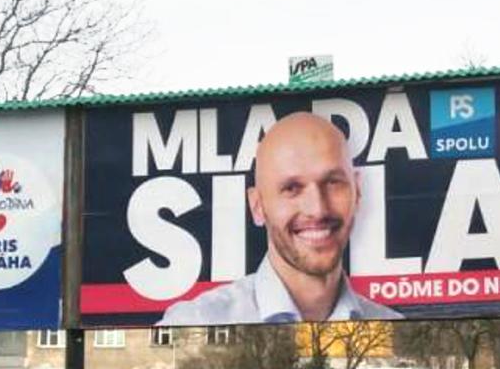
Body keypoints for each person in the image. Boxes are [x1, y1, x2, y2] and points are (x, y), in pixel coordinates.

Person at [160, 111, 402, 324]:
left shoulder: (392, 324)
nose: (317, 209)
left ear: (357, 191)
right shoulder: (198, 321)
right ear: (257, 206)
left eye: (332, 182)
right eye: (292, 188)